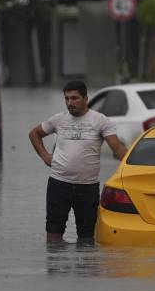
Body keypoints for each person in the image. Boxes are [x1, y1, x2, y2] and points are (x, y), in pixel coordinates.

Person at [29, 80, 128, 244]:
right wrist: (45, 155)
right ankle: (55, 267)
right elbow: (34, 134)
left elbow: (118, 149)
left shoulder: (100, 120)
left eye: (74, 98)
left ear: (86, 98)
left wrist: (134, 168)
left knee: (87, 238)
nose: (70, 103)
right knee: (53, 235)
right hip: (58, 184)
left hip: (87, 187)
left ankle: (85, 269)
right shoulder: (58, 120)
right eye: (67, 99)